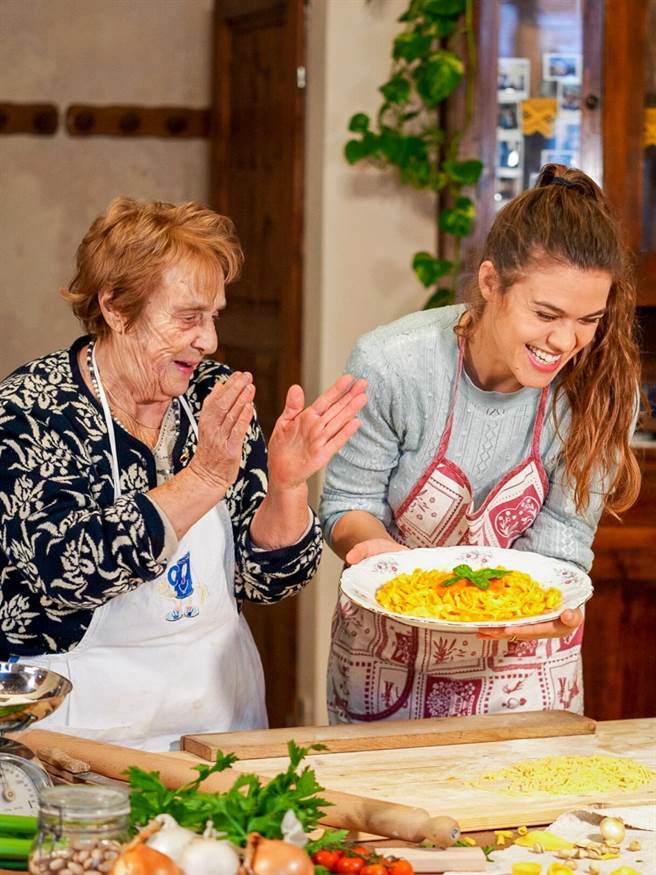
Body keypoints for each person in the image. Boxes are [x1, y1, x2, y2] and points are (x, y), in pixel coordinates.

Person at [0, 197, 367, 750]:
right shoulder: (30, 410)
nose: (209, 340)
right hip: (80, 736)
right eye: (189, 317)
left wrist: (288, 485)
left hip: (217, 719)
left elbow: (267, 580)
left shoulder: (209, 393)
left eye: (213, 316)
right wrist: (204, 478)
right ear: (116, 308)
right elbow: (66, 573)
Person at [320, 164, 641, 723]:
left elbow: (563, 542)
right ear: (491, 282)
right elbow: (348, 504)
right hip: (388, 662)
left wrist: (536, 610)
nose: (565, 341)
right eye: (545, 313)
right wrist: (381, 555)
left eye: (589, 319)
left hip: (528, 670)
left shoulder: (604, 390)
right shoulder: (393, 364)